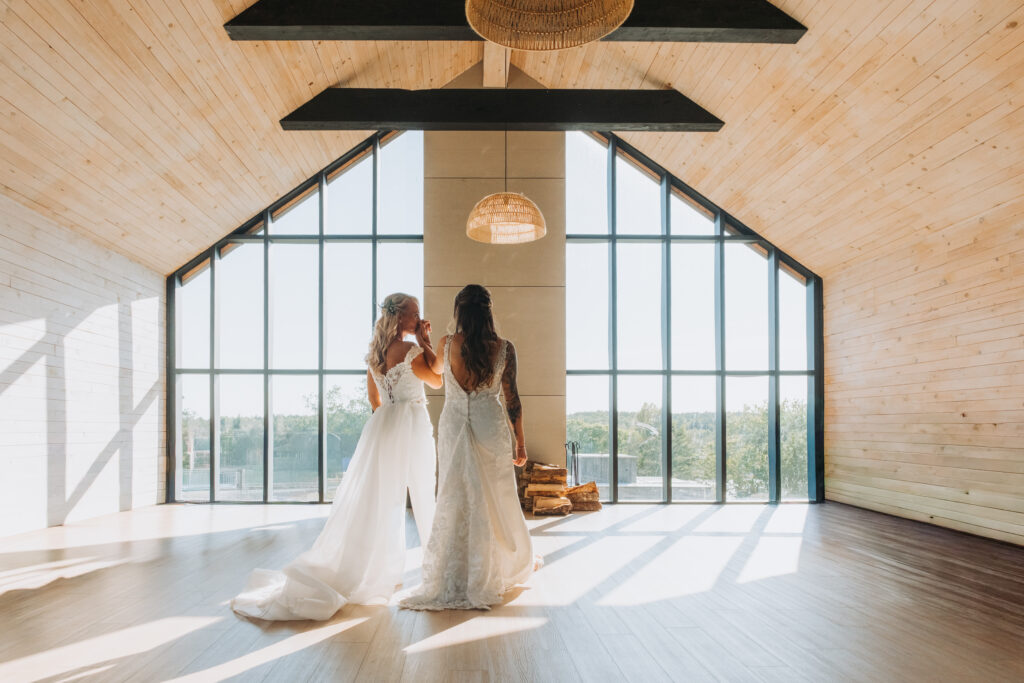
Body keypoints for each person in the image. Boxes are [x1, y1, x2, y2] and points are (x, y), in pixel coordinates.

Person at [231, 292, 441, 621]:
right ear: (401, 318)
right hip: (412, 424)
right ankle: (437, 569)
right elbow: (437, 378)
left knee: (383, 501)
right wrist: (425, 341)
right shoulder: (409, 349)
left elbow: (375, 400)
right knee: (424, 495)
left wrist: (391, 419)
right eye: (415, 315)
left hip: (384, 427)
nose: (419, 319)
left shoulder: (375, 354)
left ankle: (383, 568)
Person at [400, 284, 538, 611]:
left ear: (459, 312)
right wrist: (520, 441)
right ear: (488, 311)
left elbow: (435, 371)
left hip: (453, 423)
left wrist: (424, 343)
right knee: (496, 493)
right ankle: (499, 563)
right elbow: (512, 399)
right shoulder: (505, 348)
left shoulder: (448, 344)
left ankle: (456, 568)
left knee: (454, 492)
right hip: (490, 425)